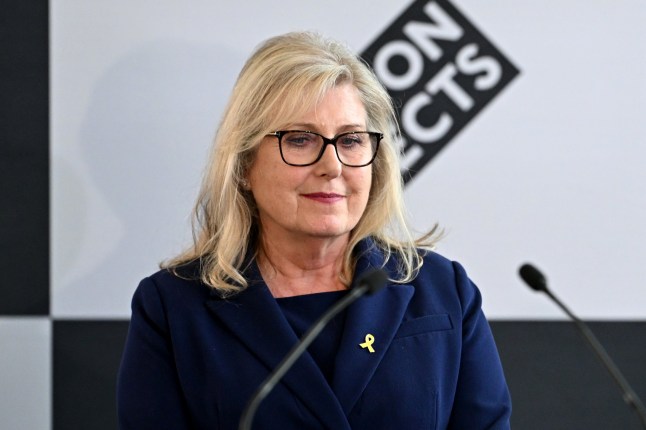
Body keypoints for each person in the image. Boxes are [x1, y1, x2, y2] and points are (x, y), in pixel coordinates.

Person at [117, 31, 511, 429]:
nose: (333, 166)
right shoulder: (173, 307)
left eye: (352, 140)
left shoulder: (443, 290)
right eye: (301, 140)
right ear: (243, 166)